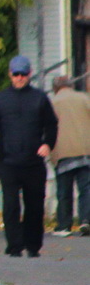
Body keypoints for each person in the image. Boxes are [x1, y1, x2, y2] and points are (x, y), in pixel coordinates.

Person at [0, 56, 59, 257]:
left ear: (29, 74)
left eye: (23, 74)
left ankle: (33, 245)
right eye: (16, 74)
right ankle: (14, 245)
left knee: (35, 205)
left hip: (33, 162)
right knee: (11, 205)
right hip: (8, 161)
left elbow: (51, 124)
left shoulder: (39, 98)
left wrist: (48, 144)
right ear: (10, 75)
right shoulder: (0, 100)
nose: (19, 78)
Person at [48, 75, 90, 236]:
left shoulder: (52, 103)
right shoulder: (84, 98)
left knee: (64, 191)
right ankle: (86, 220)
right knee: (86, 188)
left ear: (55, 88)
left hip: (62, 152)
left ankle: (64, 225)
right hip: (85, 150)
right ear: (71, 86)